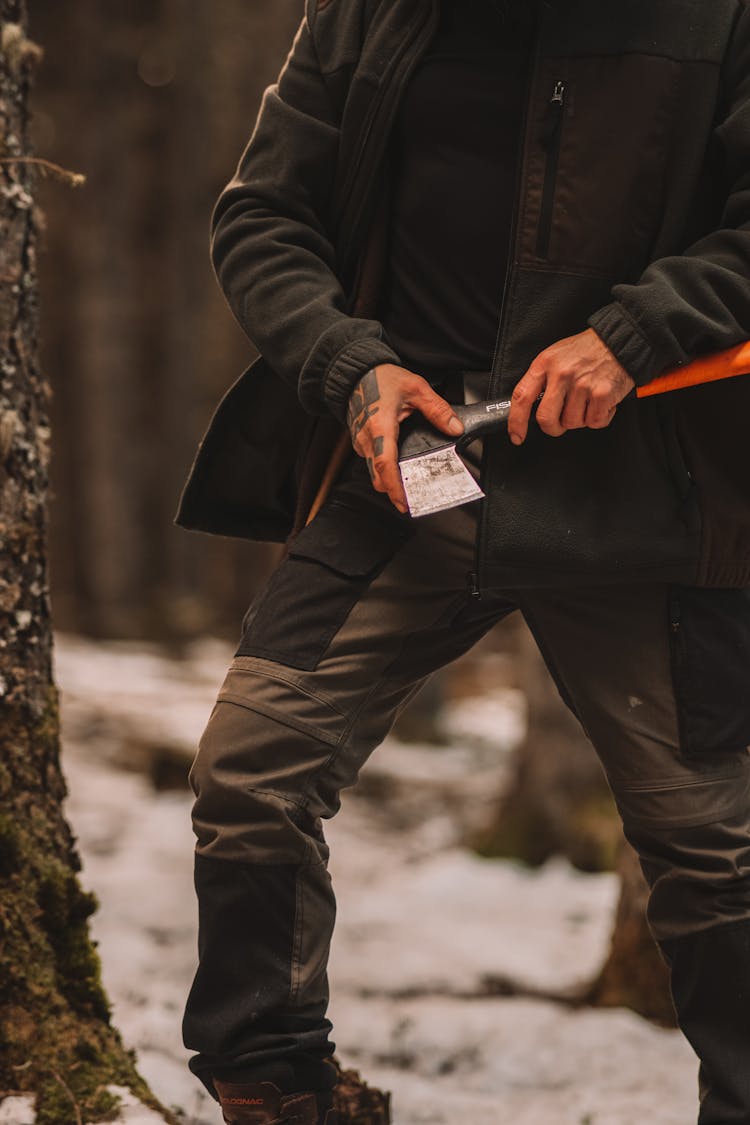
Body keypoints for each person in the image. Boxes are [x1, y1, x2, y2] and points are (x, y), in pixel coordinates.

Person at [177, 0, 750, 1121]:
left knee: (717, 852)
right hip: (415, 470)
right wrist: (350, 367)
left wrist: (638, 335)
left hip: (646, 500)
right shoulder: (365, 12)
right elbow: (263, 218)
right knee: (251, 772)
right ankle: (280, 1091)